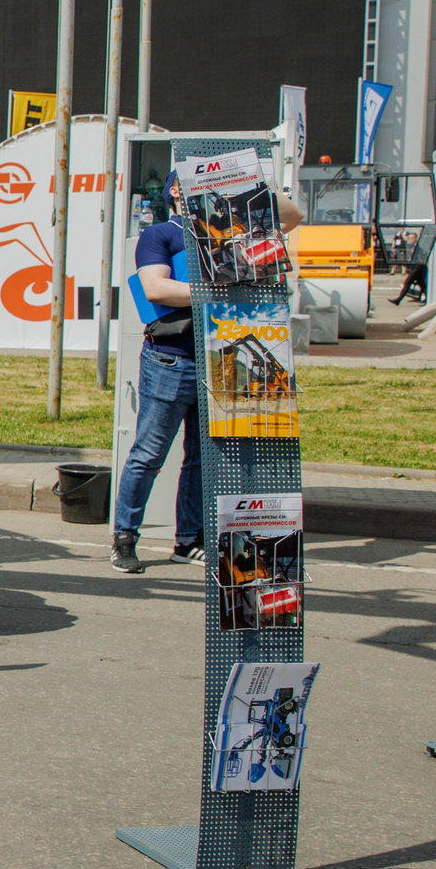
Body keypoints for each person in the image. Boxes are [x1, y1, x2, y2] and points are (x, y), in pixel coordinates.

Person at [112, 175, 302, 573]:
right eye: (189, 182)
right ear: (175, 192)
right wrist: (219, 289)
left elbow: (294, 214)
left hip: (224, 359)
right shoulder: (161, 234)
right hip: (172, 359)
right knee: (148, 453)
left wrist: (251, 182)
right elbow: (156, 289)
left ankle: (188, 540)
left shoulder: (234, 230)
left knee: (201, 458)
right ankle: (124, 537)